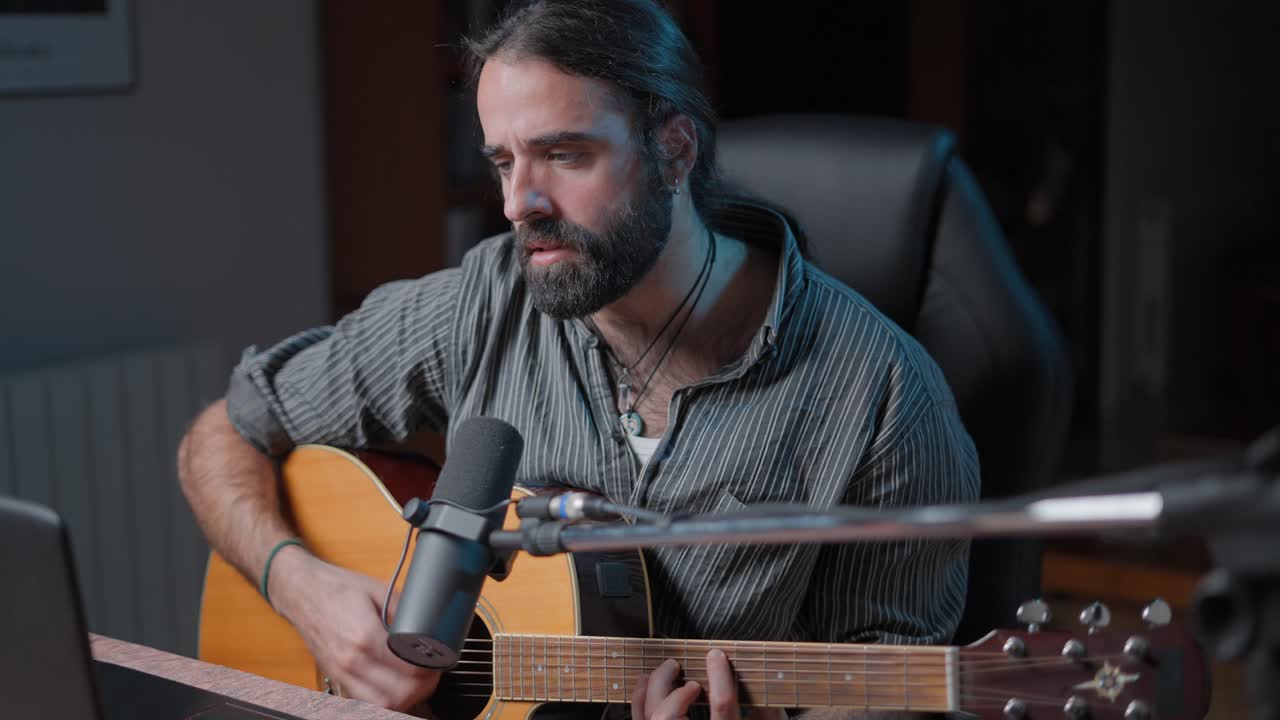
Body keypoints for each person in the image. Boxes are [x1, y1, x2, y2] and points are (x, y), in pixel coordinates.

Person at [177, 1, 980, 718]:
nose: (518, 203)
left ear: (673, 150)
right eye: (502, 161)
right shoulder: (477, 305)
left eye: (563, 155)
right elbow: (224, 433)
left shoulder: (884, 396)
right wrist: (297, 584)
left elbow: (896, 695)